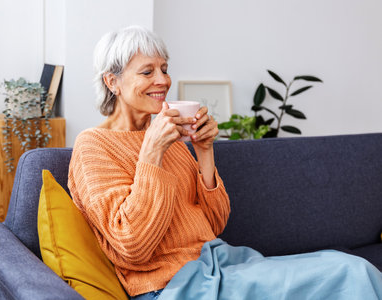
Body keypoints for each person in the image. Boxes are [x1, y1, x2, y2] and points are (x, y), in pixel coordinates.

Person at [68, 26, 382, 300]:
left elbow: (213, 225)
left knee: (344, 264)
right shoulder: (93, 146)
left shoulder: (167, 136)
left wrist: (204, 150)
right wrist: (151, 154)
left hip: (221, 264)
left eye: (164, 68)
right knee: (347, 273)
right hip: (172, 287)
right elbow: (133, 245)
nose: (163, 80)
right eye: (147, 71)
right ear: (113, 81)